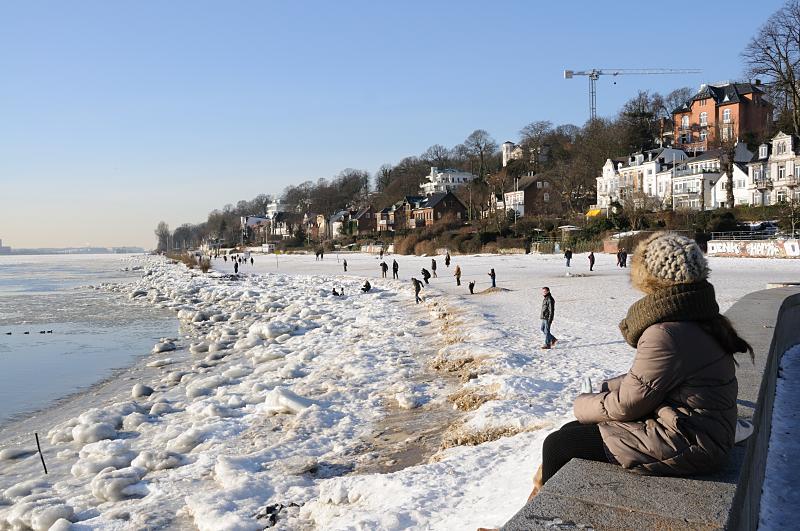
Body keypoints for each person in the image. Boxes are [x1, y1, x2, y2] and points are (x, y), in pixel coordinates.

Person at [523, 232, 751, 502]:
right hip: (700, 429)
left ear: (650, 280)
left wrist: (582, 403)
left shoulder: (667, 332)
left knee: (558, 444)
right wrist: (608, 387)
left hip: (691, 441)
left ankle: (544, 515)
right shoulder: (700, 316)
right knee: (570, 431)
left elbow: (629, 404)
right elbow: (656, 379)